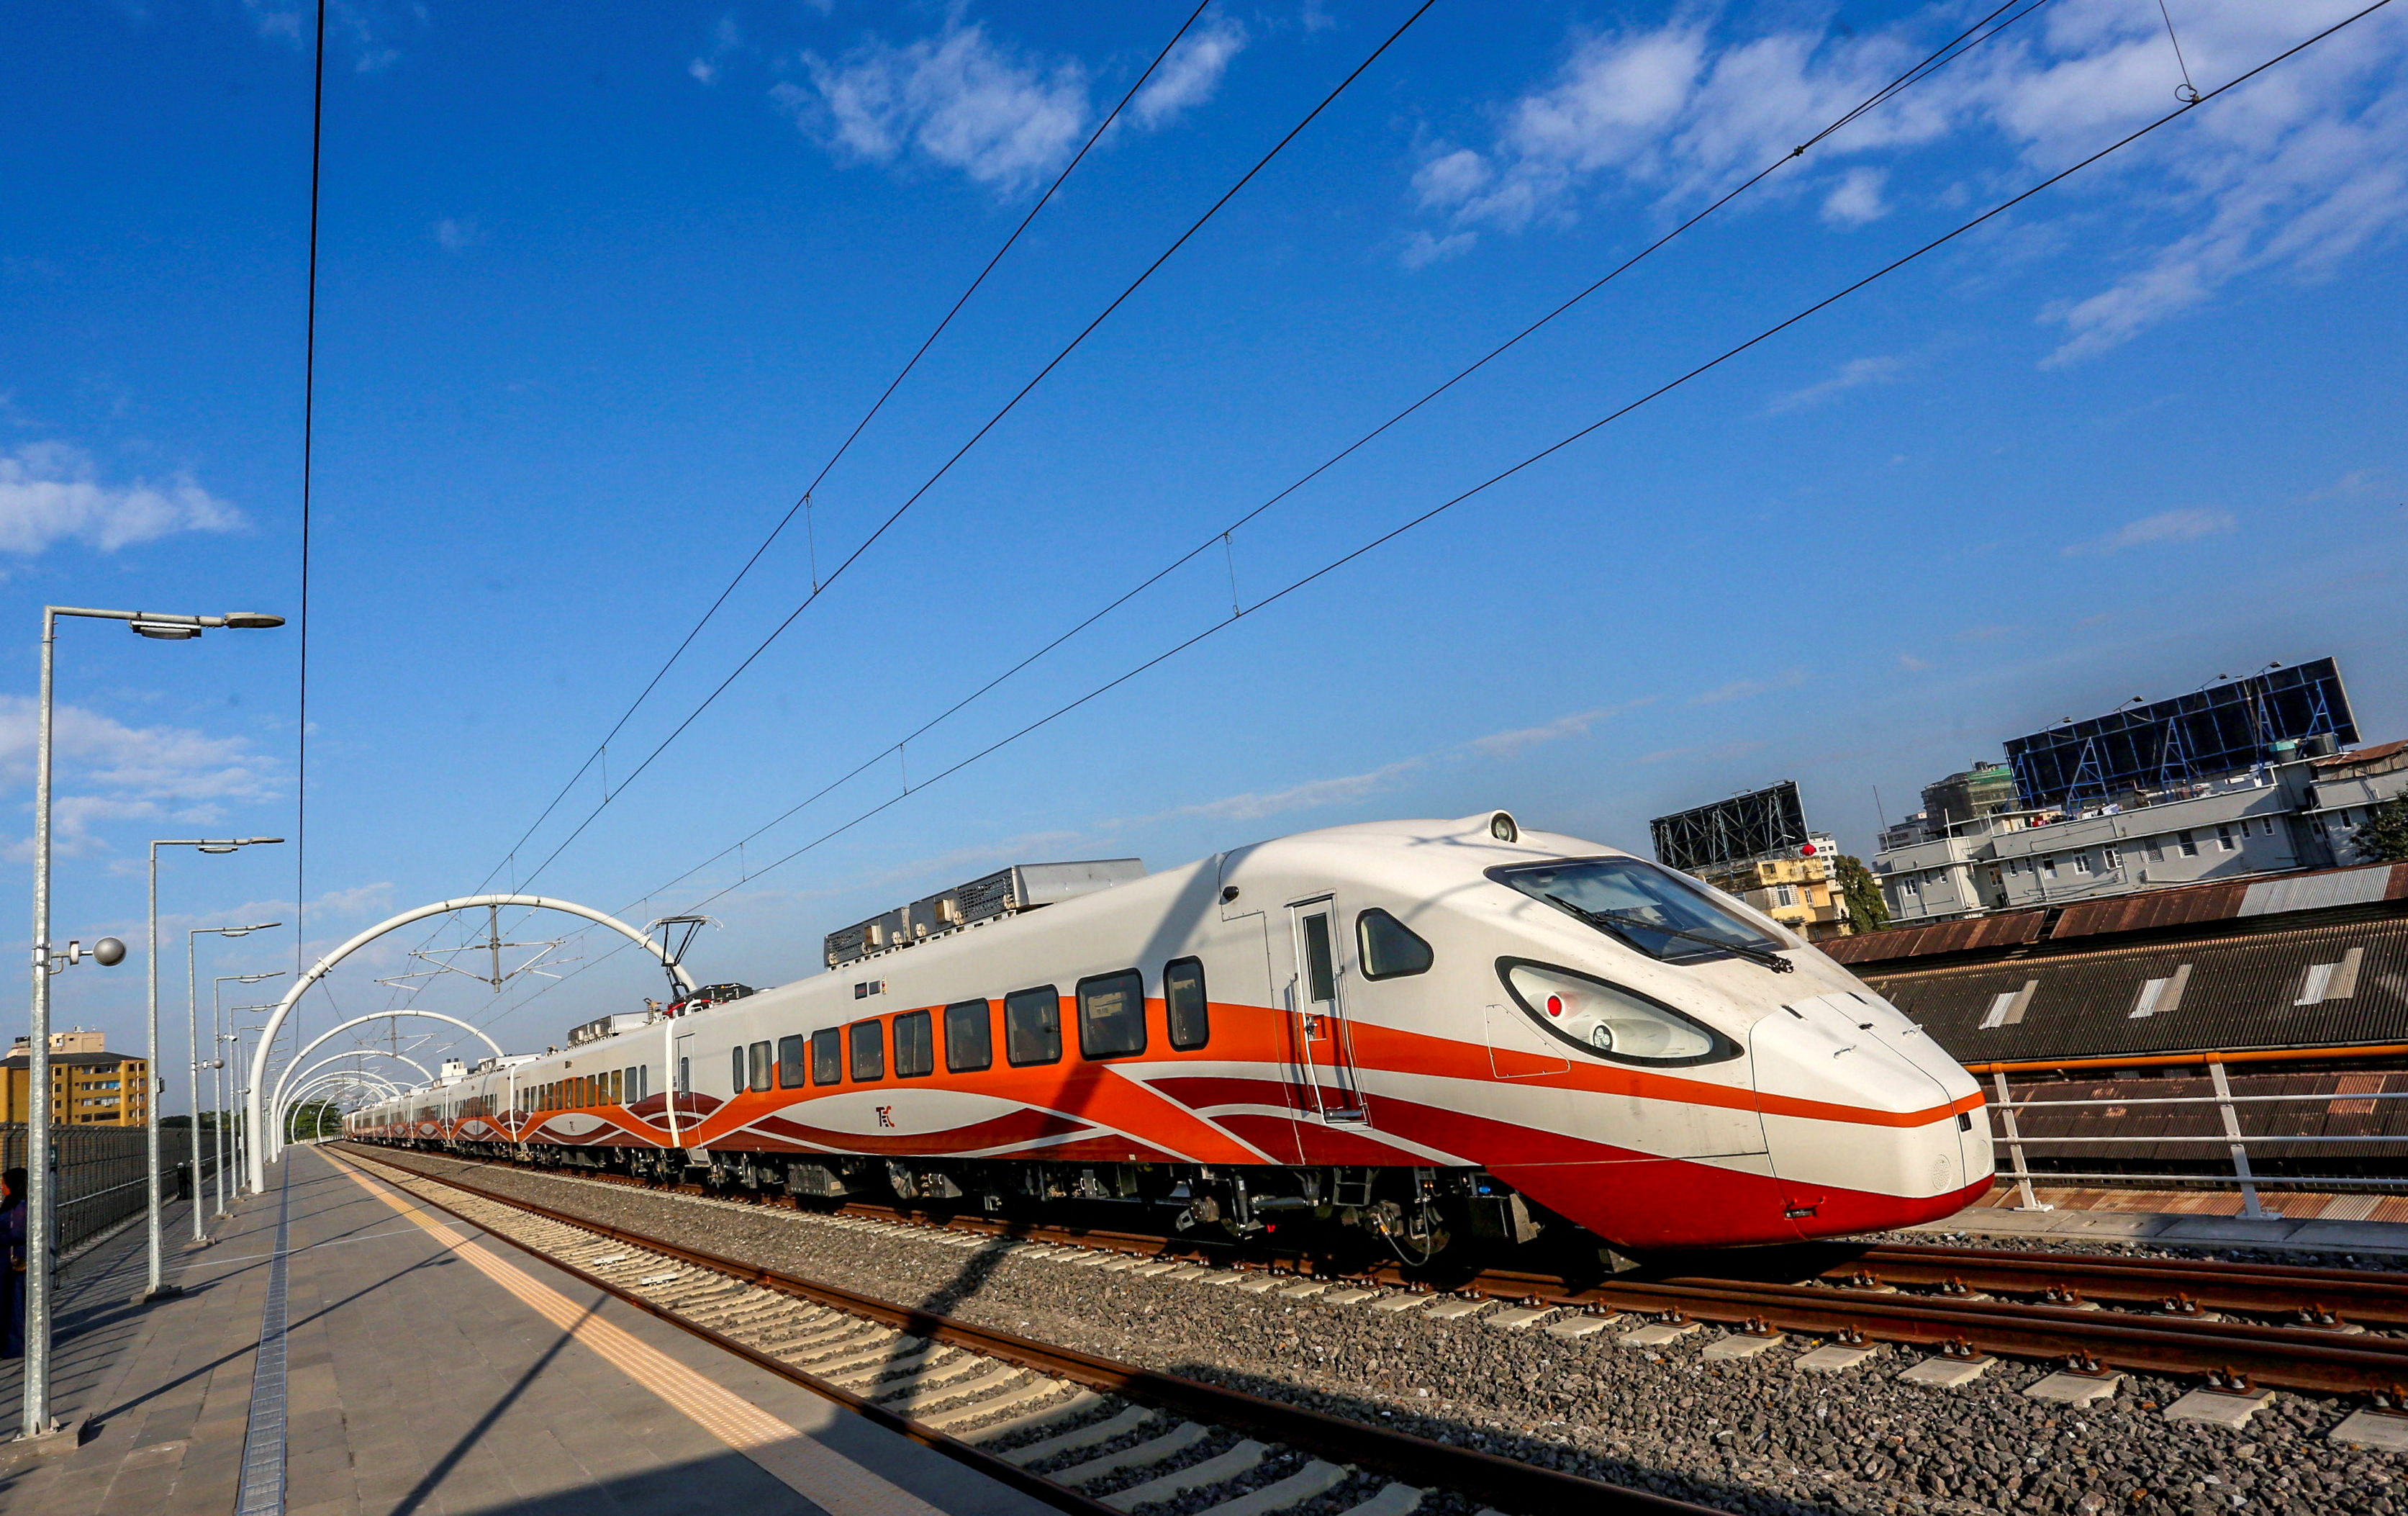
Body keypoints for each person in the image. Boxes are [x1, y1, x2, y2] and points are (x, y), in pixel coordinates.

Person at [1, 1167, 27, 1361]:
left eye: (4, 1184)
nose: (2, 1188)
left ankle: (14, 1346)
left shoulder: (20, 1205)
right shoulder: (11, 1203)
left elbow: (18, 1233)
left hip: (12, 1262)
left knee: (13, 1302)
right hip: (7, 1261)